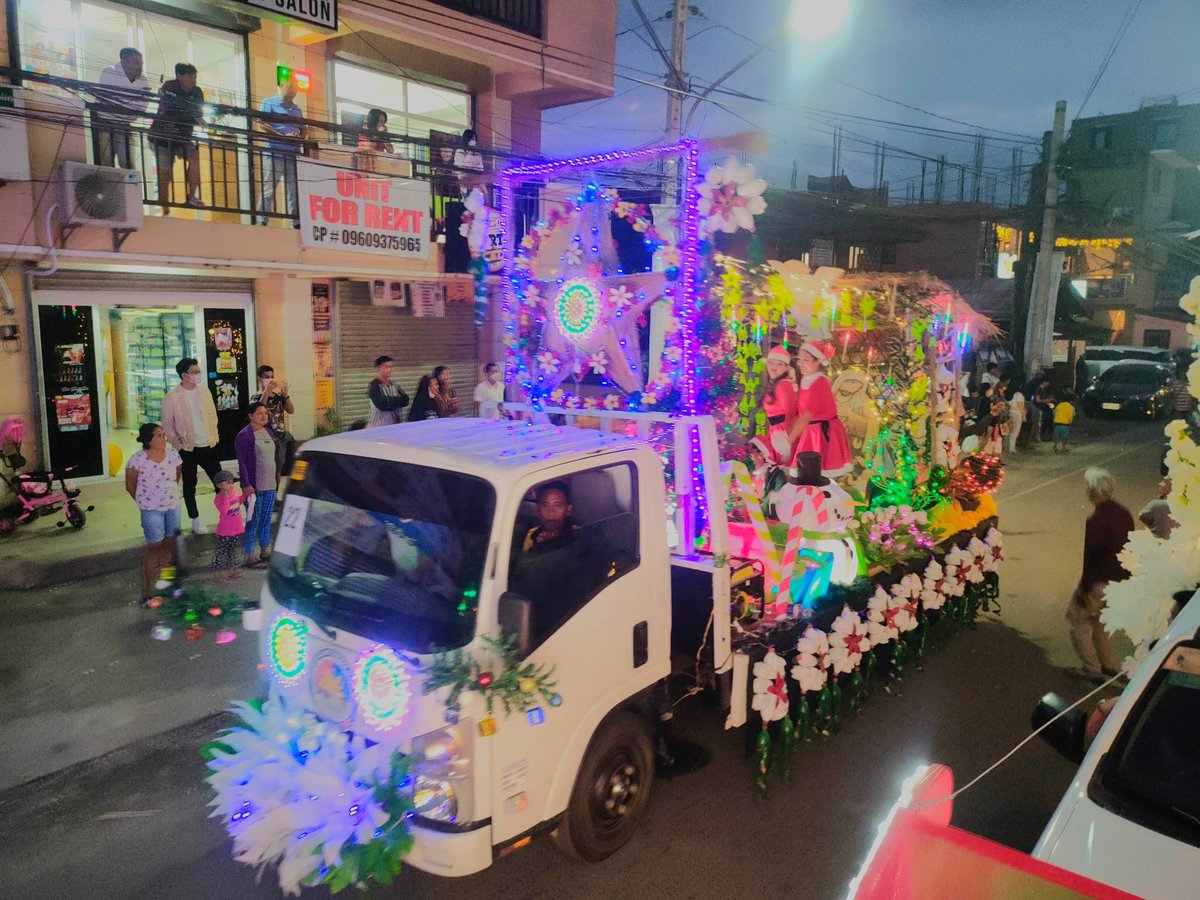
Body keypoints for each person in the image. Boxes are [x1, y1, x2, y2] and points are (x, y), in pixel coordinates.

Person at [1069, 468, 1133, 681]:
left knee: (1077, 619)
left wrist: (1084, 587)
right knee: (1101, 624)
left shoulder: (1096, 519)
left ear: (1094, 490)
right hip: (1120, 582)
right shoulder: (1123, 513)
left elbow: (1092, 557)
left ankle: (1092, 667)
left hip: (1100, 581)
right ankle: (1108, 664)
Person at [161, 357, 220, 535]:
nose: (198, 374)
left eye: (198, 371)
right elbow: (167, 426)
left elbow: (213, 416)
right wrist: (178, 445)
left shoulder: (205, 392)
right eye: (195, 372)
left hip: (208, 445)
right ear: (184, 375)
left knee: (221, 481)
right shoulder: (172, 397)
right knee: (189, 485)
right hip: (187, 449)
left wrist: (214, 436)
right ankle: (195, 519)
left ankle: (227, 515)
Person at [125, 423, 182, 600]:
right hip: (151, 510)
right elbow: (130, 485)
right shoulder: (137, 460)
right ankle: (148, 592)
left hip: (172, 506)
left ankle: (165, 584)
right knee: (154, 546)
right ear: (148, 439)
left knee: (169, 545)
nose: (163, 438)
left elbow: (177, 476)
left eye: (163, 435)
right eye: (158, 435)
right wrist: (145, 501)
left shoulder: (173, 455)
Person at [788, 341, 853, 477]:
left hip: (822, 433)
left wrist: (790, 438)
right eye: (799, 359)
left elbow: (808, 414)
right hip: (811, 430)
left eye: (805, 360)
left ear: (817, 361)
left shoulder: (820, 382)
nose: (800, 363)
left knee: (818, 471)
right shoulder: (807, 379)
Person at [148, 62, 205, 208]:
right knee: (165, 172)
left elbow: (198, 114)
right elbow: (165, 109)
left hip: (183, 136)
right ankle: (165, 207)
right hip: (162, 137)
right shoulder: (169, 87)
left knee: (194, 157)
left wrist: (201, 121)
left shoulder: (197, 92)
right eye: (190, 77)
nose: (193, 80)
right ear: (179, 76)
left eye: (195, 77)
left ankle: (192, 196)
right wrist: (190, 114)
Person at [257, 73, 306, 223]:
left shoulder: (297, 109)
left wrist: (298, 136)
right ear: (280, 86)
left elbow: (304, 128)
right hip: (275, 152)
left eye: (295, 88)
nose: (293, 91)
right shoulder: (269, 103)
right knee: (269, 188)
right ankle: (262, 219)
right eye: (290, 87)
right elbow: (262, 123)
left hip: (292, 154)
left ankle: (295, 221)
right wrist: (282, 135)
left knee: (293, 189)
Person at [235, 403, 277, 567]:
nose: (264, 416)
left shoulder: (268, 432)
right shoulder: (245, 435)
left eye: (265, 413)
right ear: (251, 416)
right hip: (254, 486)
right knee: (254, 520)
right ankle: (249, 553)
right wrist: (246, 484)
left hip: (270, 484)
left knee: (266, 519)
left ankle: (265, 549)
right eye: (259, 413)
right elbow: (243, 462)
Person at [95, 47, 149, 169]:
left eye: (141, 63)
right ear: (124, 62)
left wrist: (126, 111)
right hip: (104, 122)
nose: (140, 67)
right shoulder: (109, 72)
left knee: (129, 163)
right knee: (105, 162)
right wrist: (129, 108)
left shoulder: (143, 81)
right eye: (136, 62)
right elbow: (108, 99)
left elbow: (142, 105)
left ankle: (129, 188)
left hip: (126, 125)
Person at [250, 365, 295, 478]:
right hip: (265, 437)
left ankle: (274, 493)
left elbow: (291, 410)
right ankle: (268, 493)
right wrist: (266, 392)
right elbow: (258, 409)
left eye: (272, 376)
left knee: (279, 468)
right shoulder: (256, 397)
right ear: (260, 379)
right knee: (267, 468)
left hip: (279, 436)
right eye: (266, 377)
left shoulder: (278, 397)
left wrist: (285, 395)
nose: (270, 379)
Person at [760, 345, 798, 467]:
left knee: (782, 467)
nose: (774, 367)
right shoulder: (776, 383)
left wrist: (788, 438)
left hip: (782, 432)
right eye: (771, 362)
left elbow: (791, 412)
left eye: (780, 364)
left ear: (786, 367)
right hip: (776, 430)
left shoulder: (783, 385)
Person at [211, 470, 244, 581]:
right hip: (225, 530)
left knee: (232, 551)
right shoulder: (218, 498)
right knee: (220, 552)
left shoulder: (234, 492)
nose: (231, 485)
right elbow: (224, 510)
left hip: (236, 528)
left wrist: (245, 496)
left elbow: (237, 503)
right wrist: (225, 495)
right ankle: (218, 574)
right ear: (219, 485)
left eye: (232, 482)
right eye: (228, 483)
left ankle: (232, 571)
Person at [366, 355, 410, 427]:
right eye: (386, 367)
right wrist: (396, 402)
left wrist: (389, 400)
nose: (390, 369)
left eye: (391, 367)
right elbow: (380, 404)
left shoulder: (394, 385)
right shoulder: (374, 385)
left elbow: (405, 400)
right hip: (379, 426)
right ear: (378, 368)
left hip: (395, 425)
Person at [1007, 382, 1026, 454]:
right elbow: (1020, 406)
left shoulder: (1011, 394)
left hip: (1010, 413)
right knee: (1015, 431)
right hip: (1017, 414)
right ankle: (1012, 448)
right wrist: (1023, 415)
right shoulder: (1019, 395)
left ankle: (1007, 446)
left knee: (1009, 431)